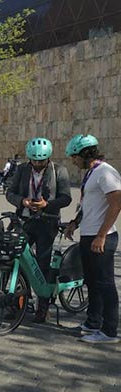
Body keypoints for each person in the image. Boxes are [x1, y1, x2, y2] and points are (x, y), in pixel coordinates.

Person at [5, 137, 72, 322]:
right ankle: (18, 303)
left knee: (42, 263)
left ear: (48, 158)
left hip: (47, 222)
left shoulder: (59, 171)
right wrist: (22, 201)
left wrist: (47, 204)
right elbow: (9, 193)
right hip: (24, 220)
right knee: (17, 262)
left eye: (41, 161)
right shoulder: (22, 169)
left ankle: (43, 307)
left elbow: (66, 198)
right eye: (34, 160)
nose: (37, 164)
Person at [64, 134, 121, 344]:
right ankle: (92, 322)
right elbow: (88, 204)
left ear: (85, 154)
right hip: (89, 235)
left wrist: (101, 235)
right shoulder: (92, 173)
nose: (73, 161)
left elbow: (116, 204)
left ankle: (109, 331)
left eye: (75, 157)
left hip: (101, 237)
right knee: (92, 282)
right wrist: (74, 223)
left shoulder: (105, 172)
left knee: (105, 284)